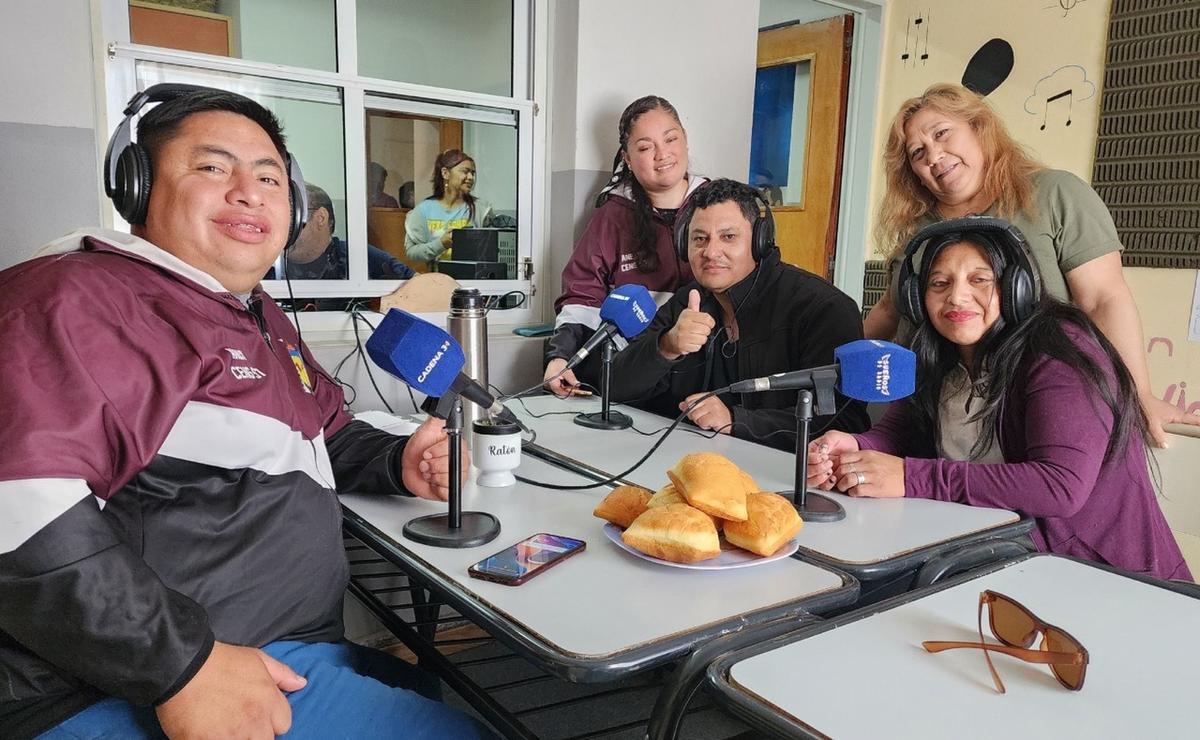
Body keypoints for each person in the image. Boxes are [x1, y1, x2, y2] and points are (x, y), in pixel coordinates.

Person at [0, 86, 493, 739]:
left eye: (269, 177)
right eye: (212, 167)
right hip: (119, 682)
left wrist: (400, 461)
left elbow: (328, 435)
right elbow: (18, 502)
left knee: (426, 683)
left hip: (265, 645)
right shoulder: (79, 297)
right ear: (138, 187)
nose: (249, 191)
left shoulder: (259, 316)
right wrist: (185, 667)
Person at [809, 219, 1190, 581]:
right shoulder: (937, 352)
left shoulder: (1061, 351)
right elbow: (903, 432)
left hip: (1103, 580)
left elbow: (1058, 486)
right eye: (939, 283)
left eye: (980, 280)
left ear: (1017, 287)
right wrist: (857, 447)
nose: (957, 296)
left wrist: (911, 477)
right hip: (997, 559)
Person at [863, 82, 1198, 448]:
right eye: (917, 152)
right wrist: (829, 367)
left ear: (979, 128)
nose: (934, 155)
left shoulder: (1054, 194)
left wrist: (1137, 391)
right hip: (933, 417)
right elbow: (889, 310)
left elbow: (1104, 298)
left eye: (943, 134)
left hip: (1036, 412)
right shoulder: (918, 229)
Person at [607, 179, 870, 451]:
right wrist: (666, 347)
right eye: (700, 238)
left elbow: (847, 423)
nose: (710, 252)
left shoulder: (823, 308)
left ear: (760, 241)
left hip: (786, 480)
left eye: (728, 237)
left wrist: (736, 421)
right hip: (693, 467)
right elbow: (615, 388)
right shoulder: (689, 301)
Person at [543, 95, 706, 396]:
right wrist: (559, 357)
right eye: (645, 147)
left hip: (704, 373)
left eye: (671, 139)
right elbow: (582, 296)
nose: (662, 154)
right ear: (628, 159)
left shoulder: (717, 204)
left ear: (685, 140)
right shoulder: (612, 215)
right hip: (633, 373)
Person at [267, 182, 414, 282]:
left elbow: (420, 283)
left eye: (291, 215)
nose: (281, 225)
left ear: (321, 218)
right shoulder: (267, 264)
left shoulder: (359, 258)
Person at [404, 149, 493, 268]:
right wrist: (441, 244)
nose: (471, 177)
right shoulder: (423, 210)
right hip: (438, 281)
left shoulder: (481, 210)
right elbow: (412, 252)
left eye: (473, 173)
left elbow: (492, 251)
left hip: (472, 281)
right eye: (465, 171)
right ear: (445, 173)